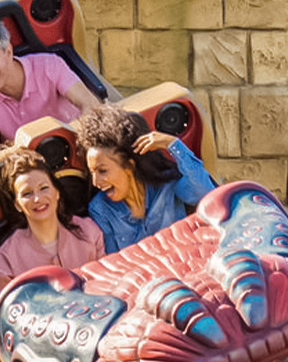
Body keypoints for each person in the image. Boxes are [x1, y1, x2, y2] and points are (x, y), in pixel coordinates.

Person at [75, 105, 218, 253]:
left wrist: (172, 144)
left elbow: (206, 193)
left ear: (129, 165)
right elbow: (113, 261)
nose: (95, 182)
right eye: (92, 172)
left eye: (102, 171)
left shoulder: (167, 184)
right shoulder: (100, 209)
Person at [0, 20, 101, 155]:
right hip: (30, 169)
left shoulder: (49, 64)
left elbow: (91, 104)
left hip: (77, 147)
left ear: (8, 53)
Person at [0, 148, 105, 292]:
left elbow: (107, 282)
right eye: (27, 193)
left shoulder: (90, 232)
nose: (38, 199)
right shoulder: (5, 263)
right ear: (17, 204)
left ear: (56, 192)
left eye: (43, 188)